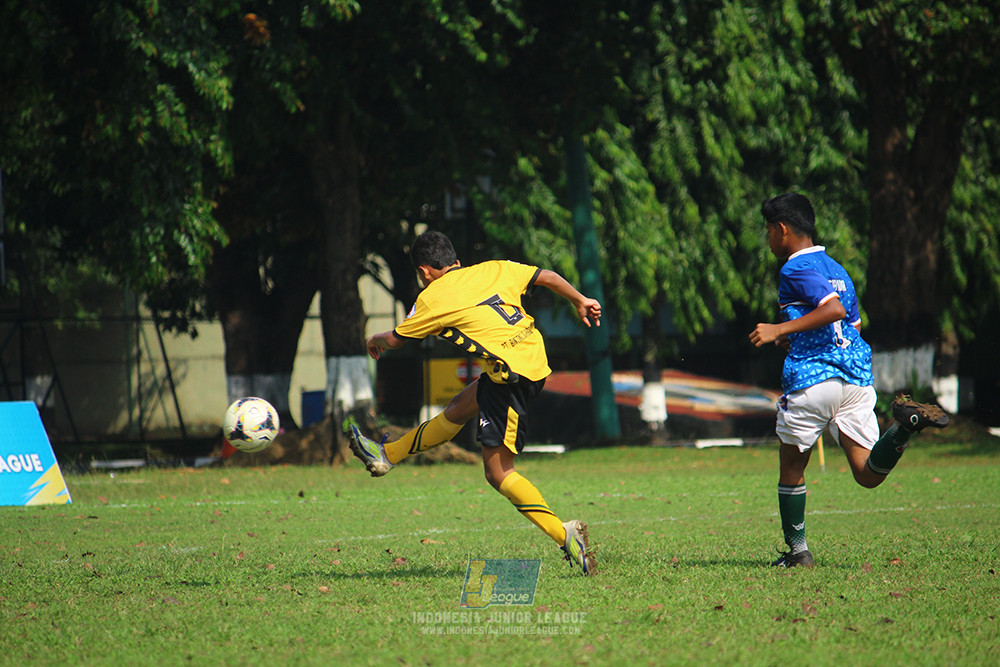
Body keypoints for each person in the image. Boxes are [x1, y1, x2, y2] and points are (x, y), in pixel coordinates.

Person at [349, 230, 601, 575]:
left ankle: (565, 535)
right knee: (459, 408)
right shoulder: (493, 268)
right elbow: (546, 276)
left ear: (424, 271)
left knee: (498, 472)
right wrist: (579, 299)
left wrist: (374, 338)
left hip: (511, 378)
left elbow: (395, 339)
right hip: (531, 358)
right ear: (455, 260)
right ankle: (387, 455)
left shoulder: (432, 297)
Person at [749, 192, 949, 568]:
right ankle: (904, 427)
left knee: (792, 467)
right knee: (868, 474)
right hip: (855, 380)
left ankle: (798, 553)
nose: (769, 240)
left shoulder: (793, 268)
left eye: (768, 232)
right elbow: (850, 324)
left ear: (781, 230)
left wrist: (780, 330)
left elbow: (832, 309)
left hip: (813, 380)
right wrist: (802, 330)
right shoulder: (837, 270)